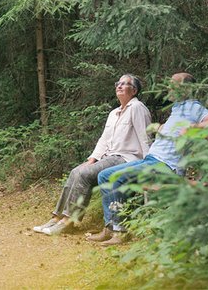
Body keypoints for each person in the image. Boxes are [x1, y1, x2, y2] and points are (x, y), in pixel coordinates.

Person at [86, 72, 208, 246]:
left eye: (173, 84)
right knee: (104, 175)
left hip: (165, 166)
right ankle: (110, 227)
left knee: (113, 178)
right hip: (152, 160)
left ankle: (120, 231)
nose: (168, 88)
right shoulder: (178, 108)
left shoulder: (193, 106)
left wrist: (194, 127)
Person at [33, 74, 152, 236]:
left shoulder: (138, 108)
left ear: (134, 90)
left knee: (84, 174)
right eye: (118, 83)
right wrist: (92, 159)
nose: (119, 86)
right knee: (77, 171)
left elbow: (145, 138)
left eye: (125, 84)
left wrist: (148, 166)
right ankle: (57, 217)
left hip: (127, 159)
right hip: (110, 157)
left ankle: (69, 221)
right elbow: (104, 139)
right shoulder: (114, 113)